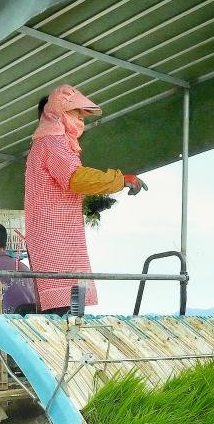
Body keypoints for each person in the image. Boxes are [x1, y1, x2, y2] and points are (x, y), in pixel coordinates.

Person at [24, 84, 146, 313]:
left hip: (62, 235)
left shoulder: (52, 142)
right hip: (55, 238)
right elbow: (75, 178)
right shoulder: (51, 141)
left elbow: (65, 187)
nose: (81, 118)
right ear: (58, 112)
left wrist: (97, 200)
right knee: (65, 310)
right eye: (76, 112)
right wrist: (119, 180)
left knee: (72, 304)